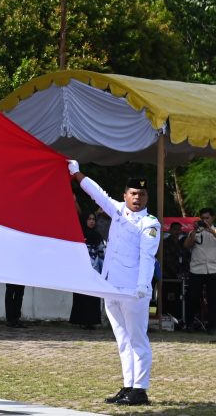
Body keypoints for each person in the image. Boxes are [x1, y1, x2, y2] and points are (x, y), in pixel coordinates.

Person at [69, 161, 160, 406]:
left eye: (141, 194)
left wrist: (143, 286)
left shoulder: (150, 224)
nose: (137, 198)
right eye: (133, 193)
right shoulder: (118, 210)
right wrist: (76, 173)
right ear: (125, 195)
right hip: (111, 287)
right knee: (122, 340)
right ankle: (128, 385)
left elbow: (147, 257)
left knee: (137, 340)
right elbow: (98, 193)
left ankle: (140, 390)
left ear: (146, 196)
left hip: (134, 291)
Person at [70, 212, 105, 329]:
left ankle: (91, 321)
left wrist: (102, 270)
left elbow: (101, 253)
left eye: (93, 219)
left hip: (95, 270)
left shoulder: (97, 236)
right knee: (82, 296)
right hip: (82, 271)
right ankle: (81, 320)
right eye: (89, 219)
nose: (92, 221)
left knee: (93, 296)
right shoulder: (79, 235)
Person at [183, 208, 216, 334]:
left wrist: (211, 230)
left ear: (212, 218)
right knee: (192, 297)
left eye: (207, 218)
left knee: (213, 299)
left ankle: (212, 326)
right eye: (202, 218)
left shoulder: (214, 230)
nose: (205, 220)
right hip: (197, 269)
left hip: (213, 270)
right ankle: (190, 324)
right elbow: (186, 246)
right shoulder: (195, 232)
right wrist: (195, 231)